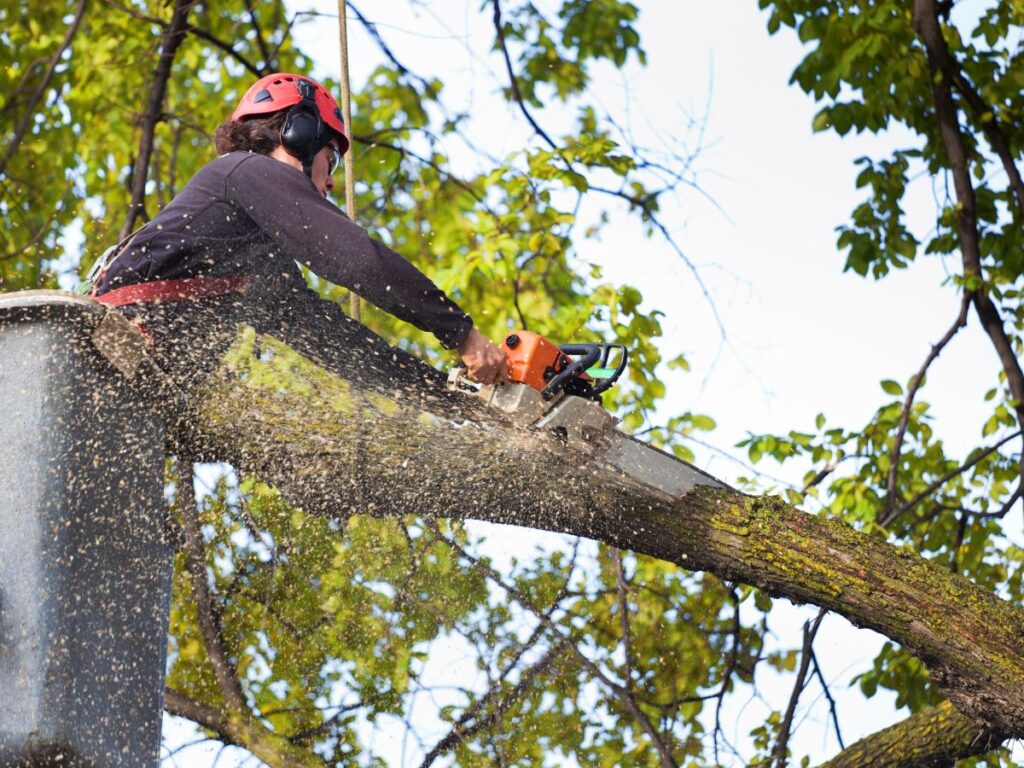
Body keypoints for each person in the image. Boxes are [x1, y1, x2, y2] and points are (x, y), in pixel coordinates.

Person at [91, 72, 508, 400]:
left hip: (131, 386)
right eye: (332, 158)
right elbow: (356, 259)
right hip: (106, 354)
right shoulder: (243, 171)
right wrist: (461, 333)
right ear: (300, 134)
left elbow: (339, 345)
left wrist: (452, 398)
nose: (330, 183)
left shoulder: (258, 263)